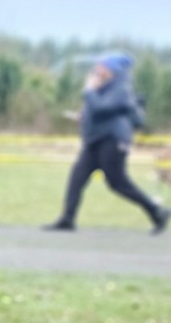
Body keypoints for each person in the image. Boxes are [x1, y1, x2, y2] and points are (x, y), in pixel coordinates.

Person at [46, 53, 169, 234]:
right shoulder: (104, 87)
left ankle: (157, 211)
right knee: (77, 177)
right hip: (95, 141)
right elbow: (98, 110)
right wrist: (83, 116)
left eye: (101, 66)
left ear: (112, 70)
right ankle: (67, 218)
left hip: (112, 140)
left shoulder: (121, 89)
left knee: (117, 182)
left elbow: (102, 108)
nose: (97, 69)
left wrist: (89, 90)